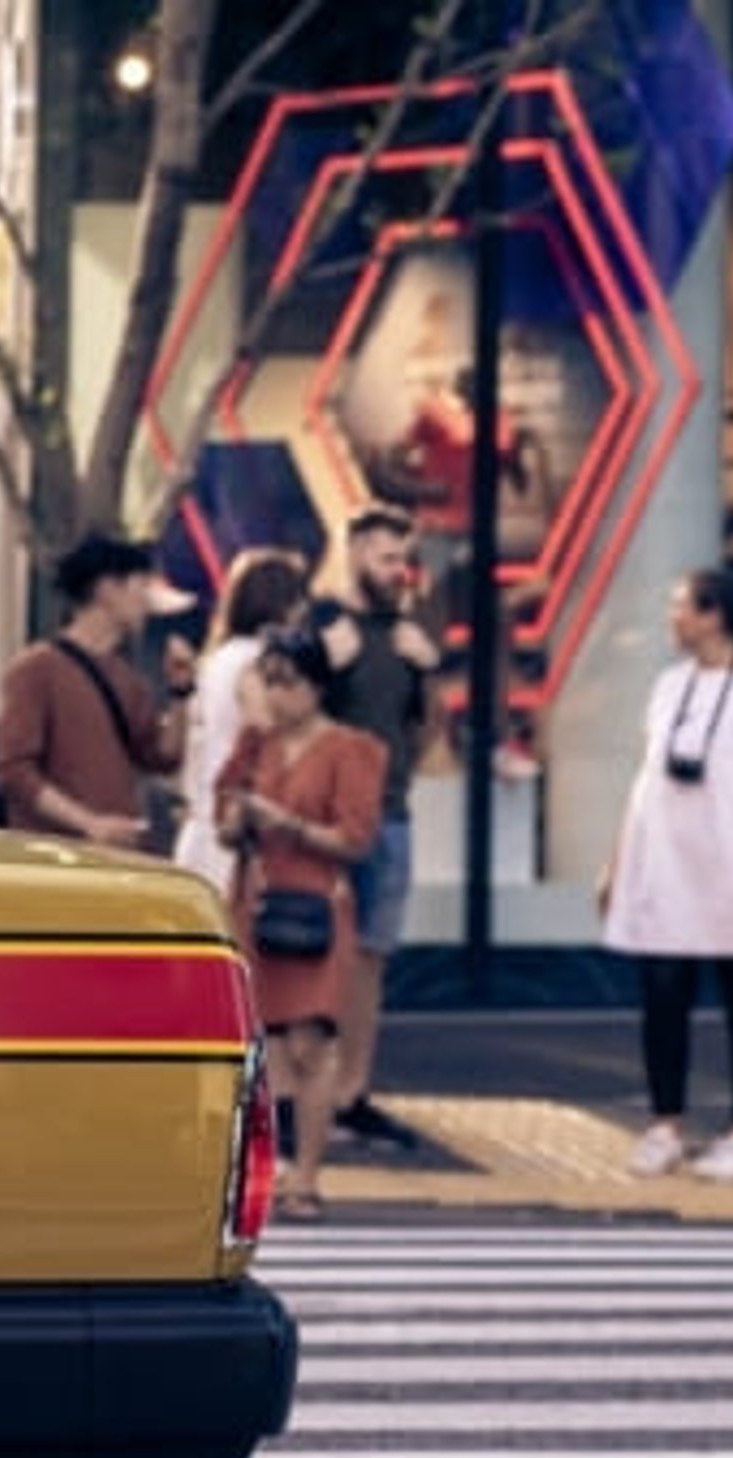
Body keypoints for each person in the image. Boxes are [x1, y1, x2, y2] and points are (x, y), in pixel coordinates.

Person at [597, 568, 733, 1183]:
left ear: (714, 614)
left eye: (680, 607)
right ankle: (666, 1125)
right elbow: (646, 779)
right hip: (667, 867)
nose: (672, 618)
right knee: (662, 1000)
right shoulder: (670, 683)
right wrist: (617, 861)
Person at [216, 630, 384, 1219]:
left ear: (316, 685)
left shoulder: (349, 748)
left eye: (288, 681)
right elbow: (224, 822)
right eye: (270, 680)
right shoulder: (253, 746)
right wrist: (242, 820)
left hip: (317, 902)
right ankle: (267, 1172)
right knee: (263, 1047)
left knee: (313, 1042)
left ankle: (306, 1176)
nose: (277, 695)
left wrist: (282, 820)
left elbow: (355, 838)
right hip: (259, 902)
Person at [308, 505, 442, 1151]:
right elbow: (287, 717)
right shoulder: (322, 626)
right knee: (312, 954)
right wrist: (325, 665)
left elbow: (424, 731)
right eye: (386, 557)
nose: (397, 571)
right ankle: (299, 1094)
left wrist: (429, 669)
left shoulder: (408, 638)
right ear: (356, 552)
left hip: (389, 815)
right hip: (324, 823)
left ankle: (351, 1093)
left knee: (370, 960)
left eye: (402, 560)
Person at [0, 531, 189, 846]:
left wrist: (181, 692)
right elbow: (13, 772)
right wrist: (89, 823)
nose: (146, 601)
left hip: (119, 854)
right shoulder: (35, 669)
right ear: (108, 590)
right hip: (57, 858)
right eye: (140, 586)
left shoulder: (127, 678)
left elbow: (162, 757)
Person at [175, 546, 314, 897]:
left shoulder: (216, 659)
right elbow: (263, 733)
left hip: (203, 825)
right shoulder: (259, 663)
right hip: (237, 833)